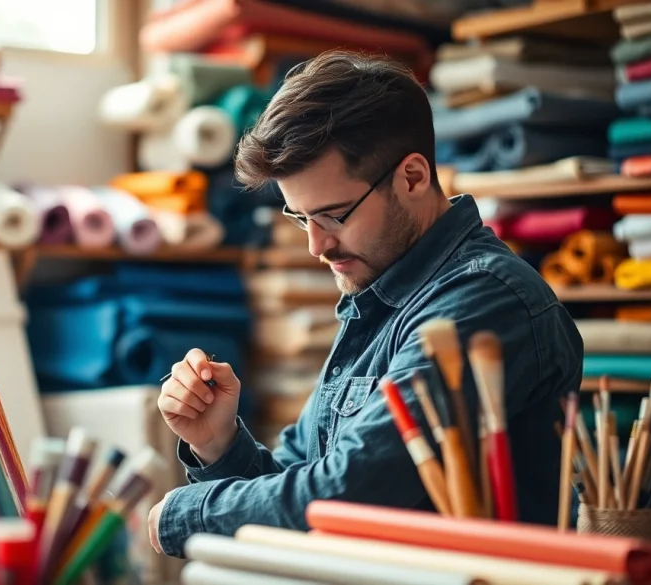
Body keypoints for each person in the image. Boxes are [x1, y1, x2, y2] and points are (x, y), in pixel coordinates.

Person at [147, 50, 584, 558]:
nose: (316, 245)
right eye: (301, 218)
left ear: (413, 177)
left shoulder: (483, 301)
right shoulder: (379, 292)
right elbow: (300, 487)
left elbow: (346, 495)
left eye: (333, 216)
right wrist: (218, 443)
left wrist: (188, 515)